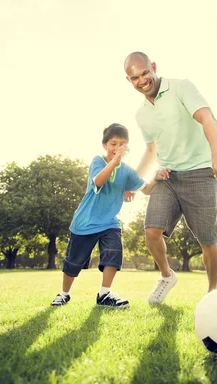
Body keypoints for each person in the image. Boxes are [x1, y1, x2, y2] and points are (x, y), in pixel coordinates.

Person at [123, 51, 217, 304]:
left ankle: (212, 292)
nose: (142, 81)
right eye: (135, 78)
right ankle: (166, 275)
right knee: (151, 231)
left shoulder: (181, 88)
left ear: (153, 67)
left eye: (145, 73)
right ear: (128, 81)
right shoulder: (141, 114)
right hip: (168, 177)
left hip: (200, 172)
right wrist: (134, 180)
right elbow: (152, 150)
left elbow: (208, 118)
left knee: (208, 240)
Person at [51, 123, 162, 308]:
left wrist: (157, 177)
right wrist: (113, 162)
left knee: (114, 253)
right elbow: (99, 181)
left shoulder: (127, 171)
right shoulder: (98, 161)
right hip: (85, 223)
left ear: (127, 147)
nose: (117, 148)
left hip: (110, 223)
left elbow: (147, 190)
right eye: (113, 144)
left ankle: (104, 294)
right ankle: (64, 294)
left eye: (122, 144)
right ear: (105, 145)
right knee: (73, 262)